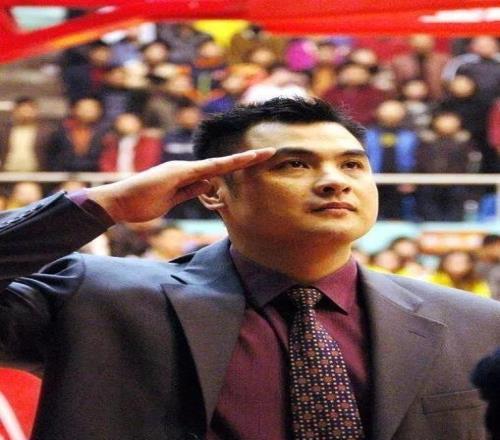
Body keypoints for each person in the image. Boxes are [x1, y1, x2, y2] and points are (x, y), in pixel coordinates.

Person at [1, 98, 500, 440]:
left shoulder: (478, 324)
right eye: (294, 164)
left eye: (352, 165)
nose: (335, 181)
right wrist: (101, 205)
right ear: (213, 190)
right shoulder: (94, 298)